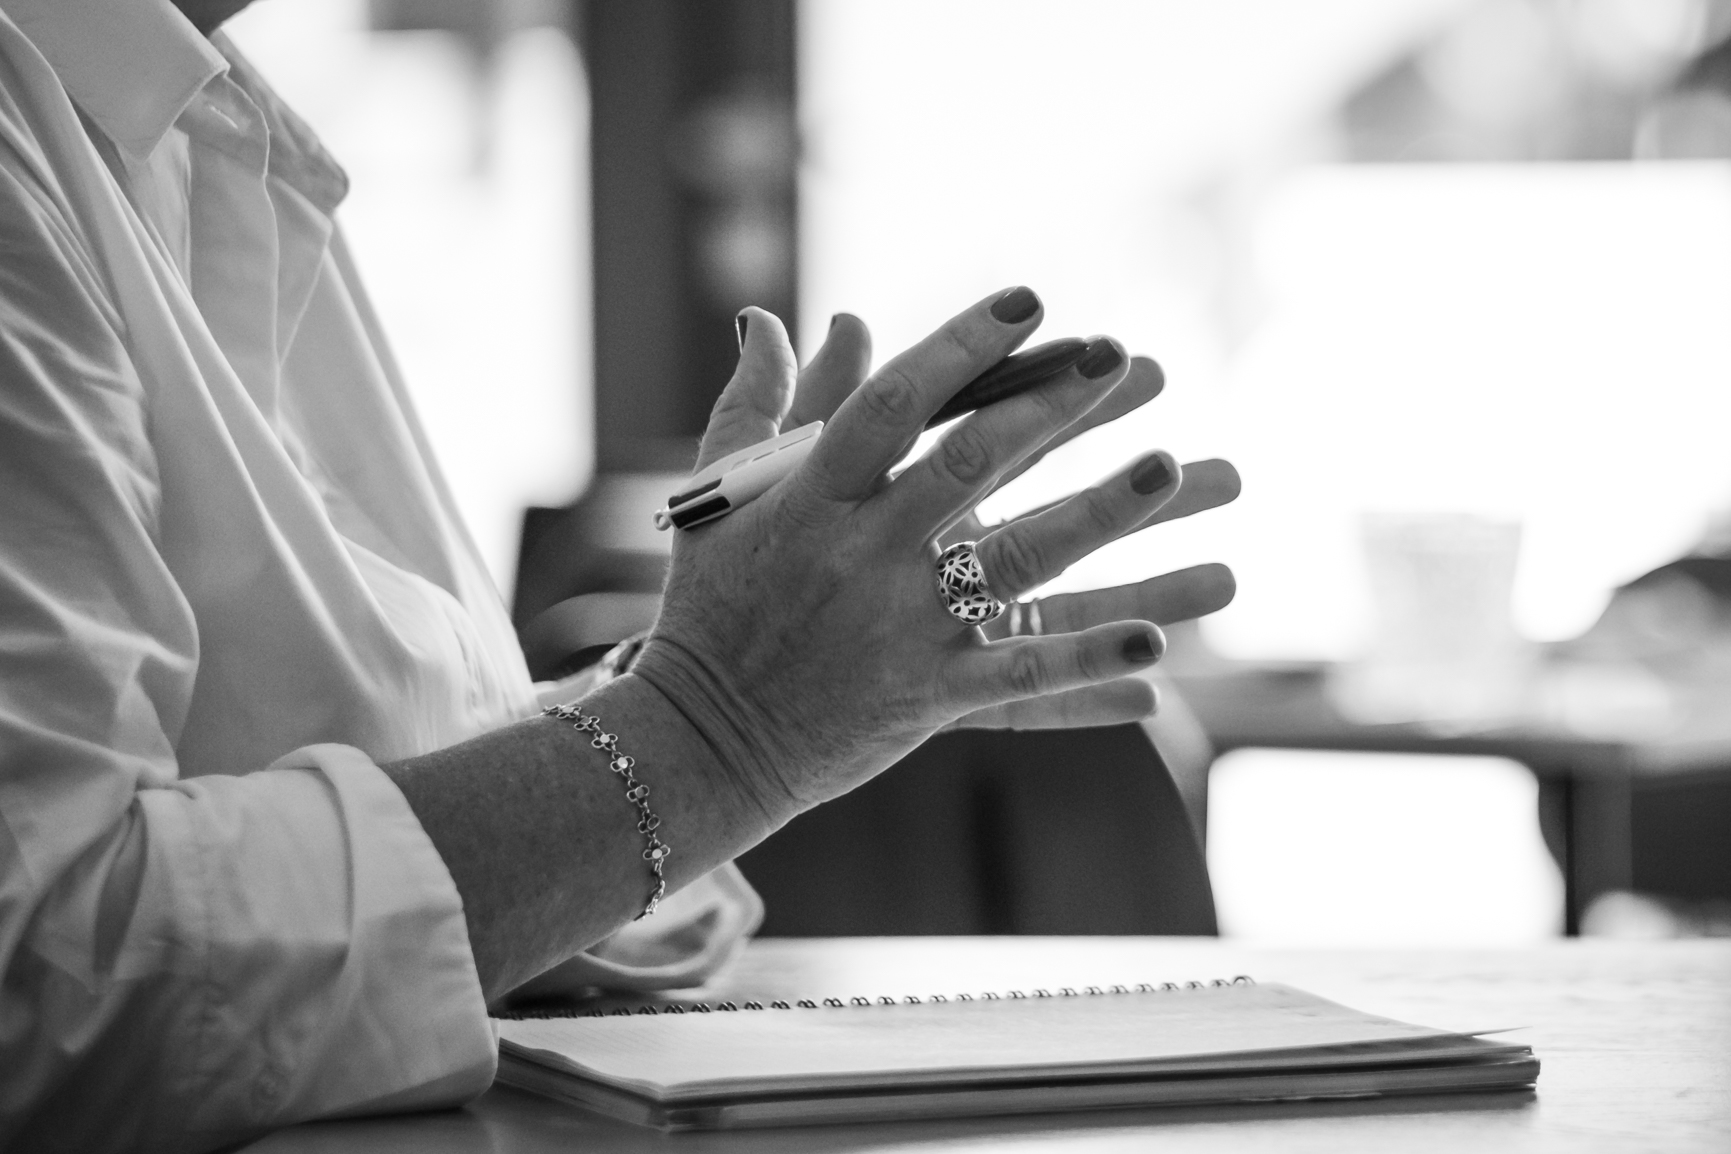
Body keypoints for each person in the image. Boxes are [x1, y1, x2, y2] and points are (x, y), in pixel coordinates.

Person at [0, 0, 1238, 1150]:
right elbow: (43, 977)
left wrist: (762, 677)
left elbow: (353, 784)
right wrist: (711, 732)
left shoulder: (203, 129)